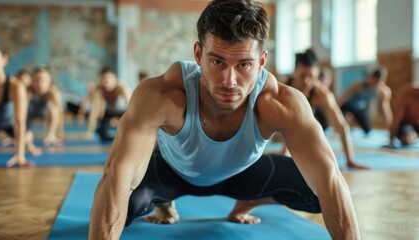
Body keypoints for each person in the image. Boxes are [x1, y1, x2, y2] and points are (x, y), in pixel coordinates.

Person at [89, 1, 361, 239]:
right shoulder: (163, 95)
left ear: (261, 61)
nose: (229, 82)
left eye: (243, 64)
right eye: (217, 62)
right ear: (198, 55)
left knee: (321, 195)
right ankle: (164, 202)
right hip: (171, 173)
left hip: (242, 174)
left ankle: (246, 202)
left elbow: (330, 179)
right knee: (116, 210)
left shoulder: (279, 103)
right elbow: (116, 177)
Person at [285, 49, 369, 170]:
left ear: (317, 75)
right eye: (303, 76)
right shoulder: (284, 89)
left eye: (311, 77)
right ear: (295, 72)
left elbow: (341, 125)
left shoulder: (321, 94)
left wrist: (350, 160)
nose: (307, 82)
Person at [0, 39, 34, 167]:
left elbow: (20, 123)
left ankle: (28, 138)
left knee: (26, 137)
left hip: (9, 126)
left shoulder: (16, 86)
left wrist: (20, 155)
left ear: (4, 60)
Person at [338, 65, 393, 135]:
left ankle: (353, 123)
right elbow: (343, 98)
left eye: (380, 81)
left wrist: (389, 129)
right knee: (341, 115)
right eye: (375, 80)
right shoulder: (359, 85)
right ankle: (348, 125)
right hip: (347, 105)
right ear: (372, 77)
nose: (376, 83)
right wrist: (336, 112)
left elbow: (386, 110)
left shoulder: (383, 92)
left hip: (359, 108)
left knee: (368, 130)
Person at [82, 67, 130, 141]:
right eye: (104, 79)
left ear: (115, 79)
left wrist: (119, 120)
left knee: (127, 134)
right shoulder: (99, 87)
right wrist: (89, 132)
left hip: (122, 111)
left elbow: (131, 106)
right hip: (109, 111)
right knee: (103, 136)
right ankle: (99, 130)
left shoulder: (121, 87)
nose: (106, 81)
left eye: (109, 78)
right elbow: (95, 110)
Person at [26, 66, 65, 146]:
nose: (40, 84)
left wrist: (60, 132)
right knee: (22, 107)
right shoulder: (28, 89)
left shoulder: (53, 92)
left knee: (54, 109)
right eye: (37, 80)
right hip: (31, 111)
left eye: (43, 81)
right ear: (32, 81)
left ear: (49, 82)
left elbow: (59, 112)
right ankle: (24, 133)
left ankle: (51, 135)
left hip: (45, 113)